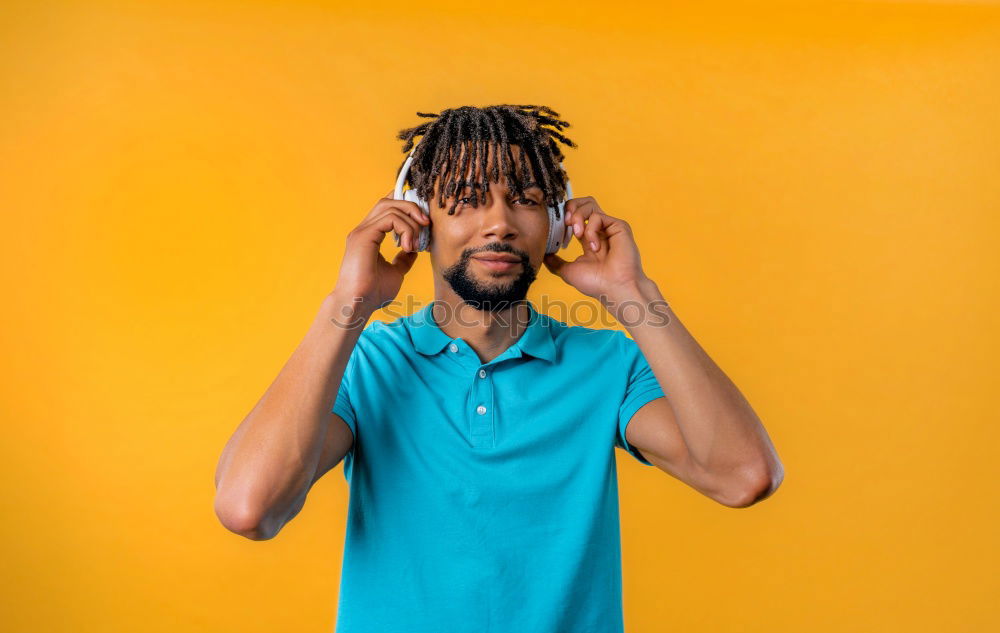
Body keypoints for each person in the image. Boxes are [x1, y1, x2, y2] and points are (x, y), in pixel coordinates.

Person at [214, 104, 784, 633]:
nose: (500, 223)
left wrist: (632, 292)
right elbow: (248, 508)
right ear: (417, 216)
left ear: (558, 223)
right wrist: (349, 303)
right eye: (465, 197)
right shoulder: (367, 365)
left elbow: (742, 477)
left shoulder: (611, 366)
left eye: (528, 198)